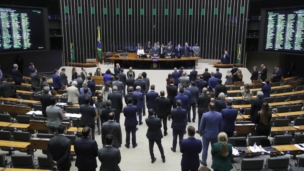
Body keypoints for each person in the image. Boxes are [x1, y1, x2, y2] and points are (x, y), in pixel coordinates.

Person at [199, 102, 222, 166]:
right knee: (214, 148)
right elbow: (220, 125)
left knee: (205, 148)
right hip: (216, 134)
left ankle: (204, 161)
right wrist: (219, 132)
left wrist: (200, 132)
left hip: (206, 134)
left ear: (208, 107)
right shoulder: (219, 115)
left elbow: (201, 125)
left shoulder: (205, 115)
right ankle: (214, 160)